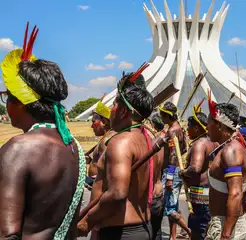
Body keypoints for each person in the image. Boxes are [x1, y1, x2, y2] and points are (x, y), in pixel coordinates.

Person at [0, 23, 86, 239]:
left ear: (19, 101)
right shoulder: (73, 146)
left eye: (7, 96)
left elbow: (7, 234)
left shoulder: (19, 148)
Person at [77, 64, 156, 240]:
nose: (110, 110)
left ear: (123, 111)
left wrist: (88, 220)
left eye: (114, 104)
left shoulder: (120, 142)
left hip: (120, 231)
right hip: (142, 227)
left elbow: (117, 193)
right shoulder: (148, 139)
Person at [206, 92, 246, 240]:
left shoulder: (231, 151)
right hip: (223, 224)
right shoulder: (227, 148)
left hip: (229, 228)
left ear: (219, 125)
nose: (207, 128)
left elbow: (235, 194)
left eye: (209, 124)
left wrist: (225, 235)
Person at [179, 100, 218, 240]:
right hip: (209, 193)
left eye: (189, 126)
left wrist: (182, 172)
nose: (187, 129)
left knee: (199, 232)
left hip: (200, 195)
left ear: (196, 128)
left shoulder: (199, 144)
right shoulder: (212, 142)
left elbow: (195, 168)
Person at [158, 102, 191, 240]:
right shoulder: (180, 128)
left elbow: (172, 154)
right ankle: (173, 236)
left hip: (171, 171)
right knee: (173, 205)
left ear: (168, 116)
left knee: (170, 209)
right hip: (176, 169)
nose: (161, 118)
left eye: (162, 115)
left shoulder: (172, 131)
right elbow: (183, 149)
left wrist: (170, 176)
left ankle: (189, 231)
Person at [85, 94, 116, 189]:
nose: (91, 126)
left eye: (93, 122)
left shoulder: (107, 141)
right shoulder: (106, 138)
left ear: (104, 122)